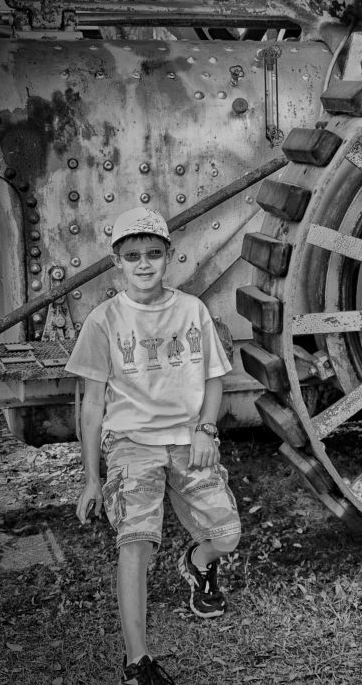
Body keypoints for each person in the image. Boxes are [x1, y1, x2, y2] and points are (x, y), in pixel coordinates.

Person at [67, 207, 240, 685]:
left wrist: (206, 429)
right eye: (133, 256)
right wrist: (92, 480)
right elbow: (92, 406)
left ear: (169, 257)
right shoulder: (104, 322)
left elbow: (213, 380)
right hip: (132, 445)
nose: (144, 264)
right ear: (117, 262)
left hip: (188, 440)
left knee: (227, 535)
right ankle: (137, 661)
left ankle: (198, 562)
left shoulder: (192, 311)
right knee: (135, 545)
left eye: (154, 254)